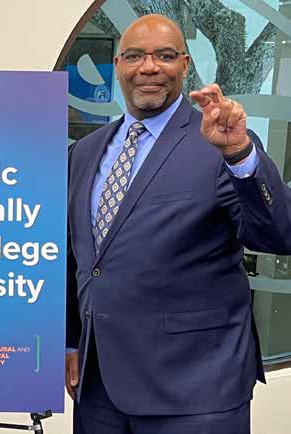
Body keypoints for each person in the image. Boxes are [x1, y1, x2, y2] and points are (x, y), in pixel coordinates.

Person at [65, 14, 291, 434]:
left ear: (184, 66)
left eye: (164, 56)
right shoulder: (86, 151)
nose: (148, 67)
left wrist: (239, 152)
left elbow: (279, 233)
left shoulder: (220, 141)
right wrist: (71, 339)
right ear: (117, 66)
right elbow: (79, 257)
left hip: (195, 390)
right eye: (134, 56)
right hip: (100, 391)